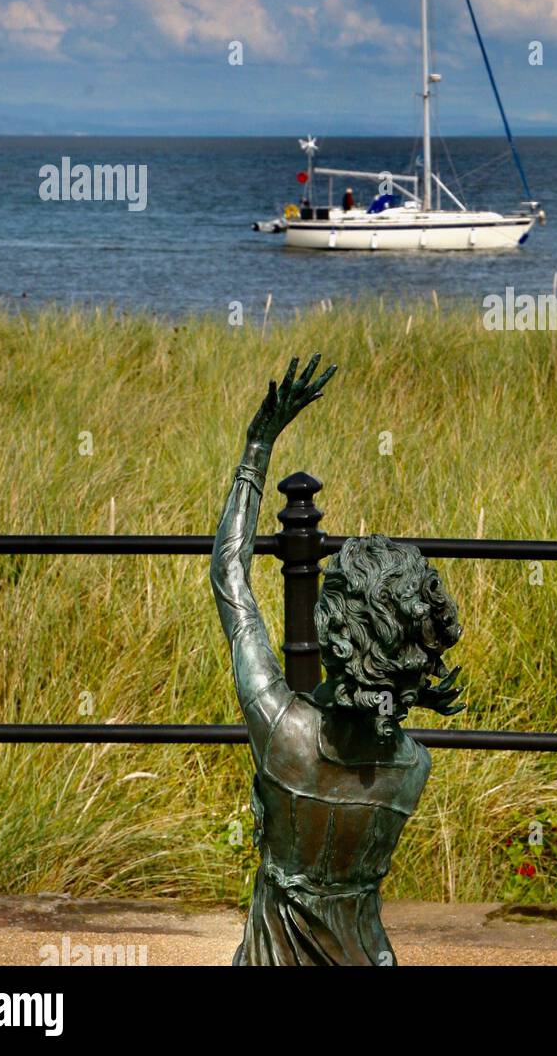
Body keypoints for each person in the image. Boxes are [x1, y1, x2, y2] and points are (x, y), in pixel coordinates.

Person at [210, 356, 463, 965]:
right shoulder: (411, 769)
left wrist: (257, 446)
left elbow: (230, 575)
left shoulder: (280, 731)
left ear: (331, 636)